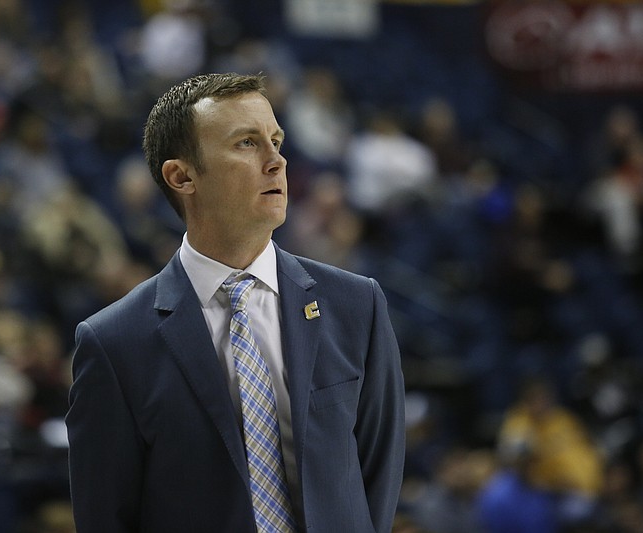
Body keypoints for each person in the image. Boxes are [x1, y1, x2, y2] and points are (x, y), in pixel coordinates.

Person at [66, 72, 406, 532]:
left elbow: (377, 480)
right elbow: (106, 518)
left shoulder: (357, 305)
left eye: (276, 140)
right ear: (181, 176)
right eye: (247, 143)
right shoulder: (113, 343)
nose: (277, 162)